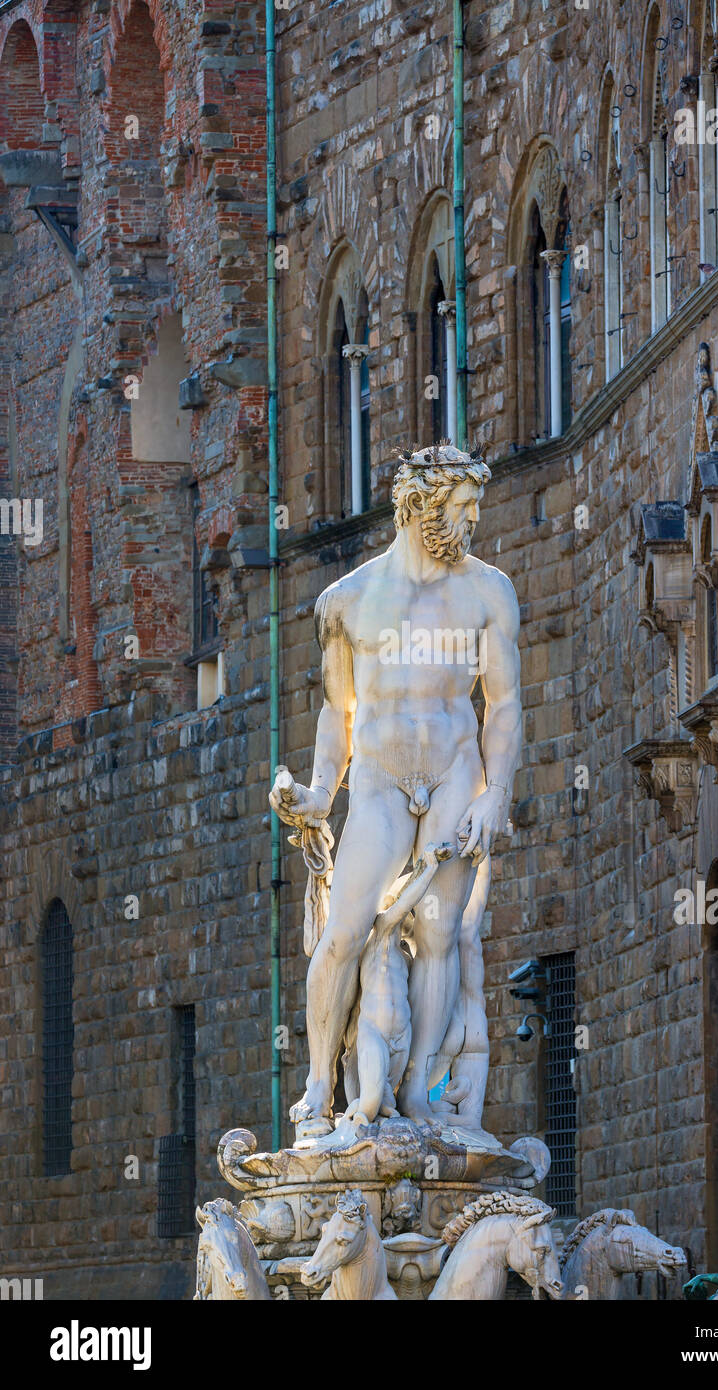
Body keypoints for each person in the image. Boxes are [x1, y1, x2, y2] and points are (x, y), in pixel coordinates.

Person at [269, 444, 521, 1137]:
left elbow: (502, 705)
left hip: (454, 774)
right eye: (463, 509)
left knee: (440, 932)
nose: (473, 522)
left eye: (475, 509)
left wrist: (494, 792)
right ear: (420, 509)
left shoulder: (488, 591)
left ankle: (417, 1094)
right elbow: (336, 712)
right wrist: (322, 791)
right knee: (346, 930)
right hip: (378, 784)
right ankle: (320, 1087)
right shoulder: (347, 601)